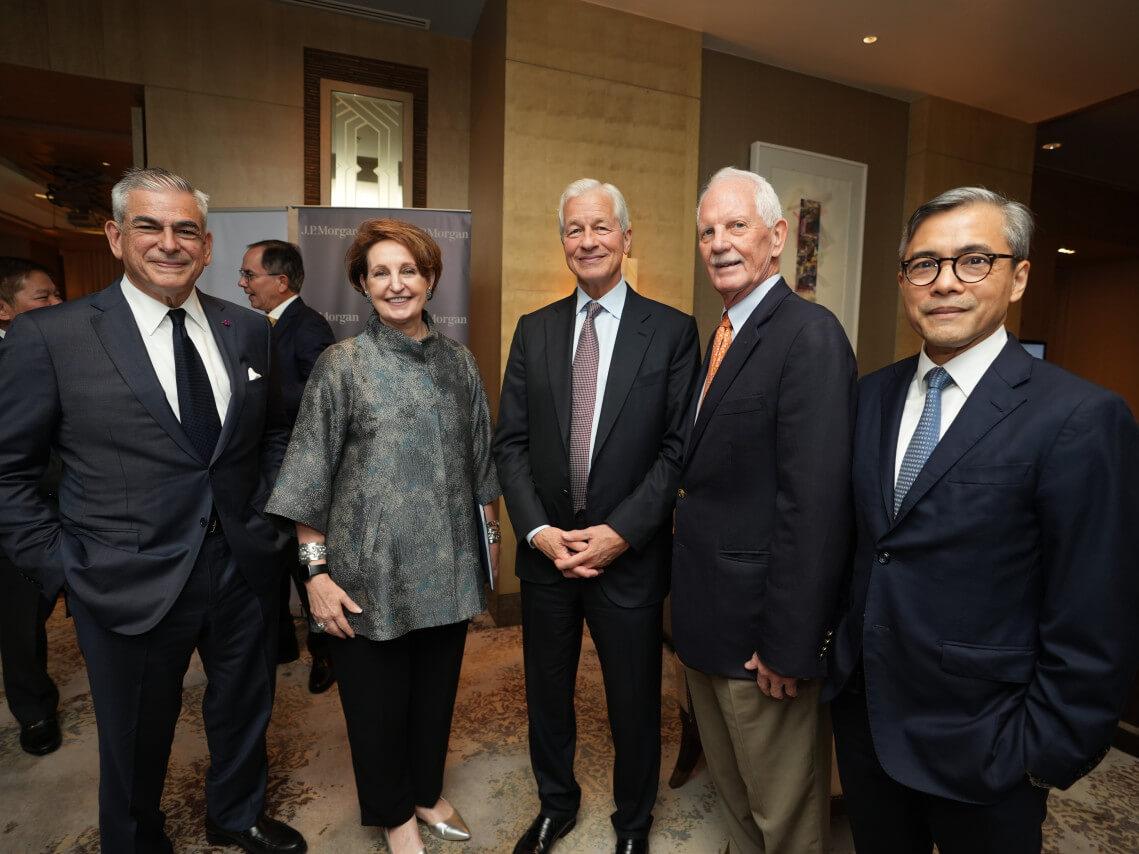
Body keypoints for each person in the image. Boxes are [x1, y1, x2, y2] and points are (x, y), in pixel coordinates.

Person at [824, 186, 1139, 854]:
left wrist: (1042, 753)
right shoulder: (868, 396)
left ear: (1017, 276)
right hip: (867, 722)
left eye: (972, 261)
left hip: (987, 744)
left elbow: (1095, 608)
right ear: (903, 279)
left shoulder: (1079, 417)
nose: (943, 284)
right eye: (923, 264)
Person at [0, 168, 305, 854]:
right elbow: (8, 473)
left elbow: (275, 431)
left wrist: (270, 520)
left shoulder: (248, 330)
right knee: (136, 730)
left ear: (205, 246)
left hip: (242, 565)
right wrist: (63, 568)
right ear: (114, 236)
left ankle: (237, 814)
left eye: (185, 230)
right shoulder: (52, 336)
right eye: (149, 226)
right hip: (121, 576)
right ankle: (135, 839)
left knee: (244, 707)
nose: (168, 243)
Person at [266, 218, 500, 854]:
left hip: (448, 571)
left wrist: (488, 561)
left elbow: (483, 470)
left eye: (409, 271)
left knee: (433, 702)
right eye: (380, 273)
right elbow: (307, 476)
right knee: (376, 711)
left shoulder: (461, 364)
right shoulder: (342, 366)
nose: (397, 284)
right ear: (362, 286)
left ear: (430, 278)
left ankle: (425, 791)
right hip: (365, 577)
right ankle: (395, 813)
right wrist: (315, 575)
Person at [494, 178, 700, 854]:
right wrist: (537, 531)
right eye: (574, 230)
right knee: (547, 699)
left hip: (628, 556)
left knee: (632, 704)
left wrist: (619, 534)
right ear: (562, 242)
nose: (587, 240)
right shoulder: (534, 330)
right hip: (547, 553)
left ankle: (631, 823)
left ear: (626, 238)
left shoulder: (671, 332)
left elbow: (677, 451)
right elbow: (511, 444)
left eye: (600, 227)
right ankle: (556, 804)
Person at [670, 166, 857, 854]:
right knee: (737, 798)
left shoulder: (808, 335)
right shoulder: (720, 335)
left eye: (735, 226)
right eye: (706, 231)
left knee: (784, 816)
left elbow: (815, 508)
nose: (718, 243)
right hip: (705, 623)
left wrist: (789, 642)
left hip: (762, 641)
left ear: (777, 237)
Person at [238, 239, 337, 692]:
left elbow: (322, 395)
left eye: (249, 275)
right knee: (269, 559)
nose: (242, 284)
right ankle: (280, 643)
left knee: (307, 565)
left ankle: (325, 655)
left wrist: (254, 398)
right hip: (261, 470)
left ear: (280, 281)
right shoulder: (255, 326)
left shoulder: (309, 325)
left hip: (300, 470)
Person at [0, 257, 63, 755]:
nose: (55, 304)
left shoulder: (65, 346)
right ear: (5, 308)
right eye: (42, 298)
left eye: (56, 295)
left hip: (76, 505)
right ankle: (35, 710)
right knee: (21, 625)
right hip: (22, 512)